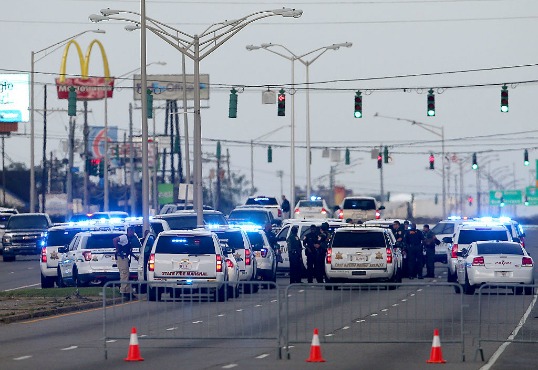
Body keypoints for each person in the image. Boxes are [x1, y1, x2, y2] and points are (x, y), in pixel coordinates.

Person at [113, 226, 141, 300]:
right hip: (121, 257)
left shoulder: (129, 239)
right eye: (133, 232)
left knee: (126, 274)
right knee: (124, 274)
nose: (133, 233)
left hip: (125, 257)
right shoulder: (124, 237)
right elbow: (115, 240)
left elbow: (128, 250)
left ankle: (128, 292)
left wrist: (134, 257)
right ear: (129, 231)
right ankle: (123, 291)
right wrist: (118, 250)